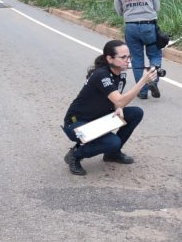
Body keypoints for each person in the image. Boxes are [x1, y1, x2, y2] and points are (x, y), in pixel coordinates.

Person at [62, 40, 157, 176]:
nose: (127, 60)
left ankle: (112, 154)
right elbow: (119, 100)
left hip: (97, 119)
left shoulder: (121, 73)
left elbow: (117, 101)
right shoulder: (101, 74)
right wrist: (142, 81)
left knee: (136, 113)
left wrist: (117, 107)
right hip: (76, 126)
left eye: (129, 57)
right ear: (109, 58)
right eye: (123, 57)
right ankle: (75, 155)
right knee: (113, 142)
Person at [113, 0, 162, 100]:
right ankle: (153, 79)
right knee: (155, 55)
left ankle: (142, 91)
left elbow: (118, 10)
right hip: (149, 26)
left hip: (131, 27)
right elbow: (157, 7)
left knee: (136, 59)